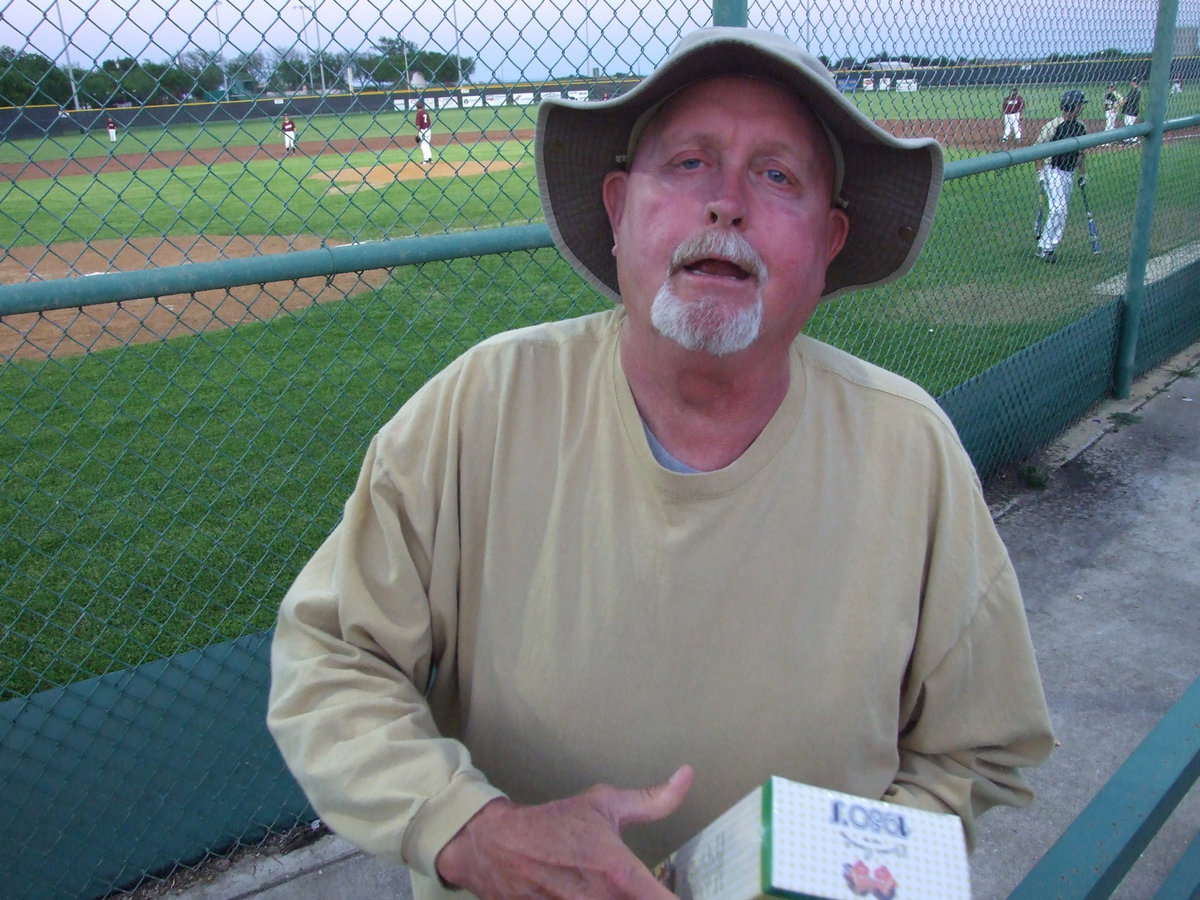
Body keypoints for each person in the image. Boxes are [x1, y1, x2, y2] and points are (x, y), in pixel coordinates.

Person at [268, 27, 1054, 900]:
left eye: (777, 175)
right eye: (687, 163)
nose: (726, 203)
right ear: (618, 209)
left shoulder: (913, 451)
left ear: (829, 242)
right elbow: (332, 658)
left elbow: (977, 750)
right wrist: (473, 832)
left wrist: (853, 873)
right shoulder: (482, 405)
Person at [1034, 89, 1088, 263]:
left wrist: (1083, 173)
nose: (1082, 107)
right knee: (1058, 208)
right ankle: (1045, 247)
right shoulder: (1053, 126)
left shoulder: (1081, 127)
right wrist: (1040, 172)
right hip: (1053, 169)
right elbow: (1037, 150)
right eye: (1080, 103)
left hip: (1069, 172)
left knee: (1062, 211)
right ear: (1072, 105)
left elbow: (1081, 153)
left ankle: (1049, 246)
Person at [1122, 77, 1142, 143]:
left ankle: (1131, 139)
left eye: (1132, 81)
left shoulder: (1134, 90)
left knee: (1129, 124)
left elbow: (1127, 99)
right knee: (1130, 124)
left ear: (1134, 83)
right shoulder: (1138, 90)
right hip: (1134, 109)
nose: (1131, 83)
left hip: (1130, 109)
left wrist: (1122, 102)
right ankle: (1131, 138)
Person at [415, 99, 434, 164]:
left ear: (417, 107)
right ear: (422, 107)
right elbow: (430, 123)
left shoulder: (419, 114)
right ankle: (430, 159)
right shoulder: (426, 112)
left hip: (422, 131)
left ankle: (426, 160)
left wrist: (417, 134)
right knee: (427, 144)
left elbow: (418, 125)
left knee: (423, 145)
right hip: (428, 130)